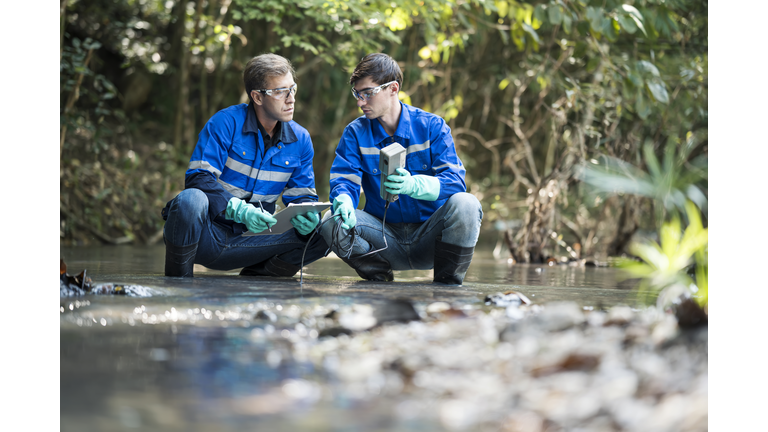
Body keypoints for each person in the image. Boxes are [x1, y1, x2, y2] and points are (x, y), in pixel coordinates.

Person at [320, 53, 483, 285]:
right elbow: (344, 180)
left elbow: (455, 181)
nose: (360, 102)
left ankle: (448, 283)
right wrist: (344, 199)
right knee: (330, 221)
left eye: (368, 93)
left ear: (393, 88)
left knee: (468, 204)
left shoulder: (432, 127)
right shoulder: (355, 133)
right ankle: (379, 277)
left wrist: (415, 185)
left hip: (430, 238)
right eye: (357, 94)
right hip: (383, 239)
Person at [161, 53, 327, 277]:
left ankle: (257, 280)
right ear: (257, 97)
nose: (291, 98)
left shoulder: (301, 139)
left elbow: (301, 198)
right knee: (190, 199)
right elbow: (198, 177)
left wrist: (309, 219)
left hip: (256, 242)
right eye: (280, 91)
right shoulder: (225, 122)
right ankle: (176, 283)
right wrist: (237, 209)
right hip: (207, 236)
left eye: (292, 88)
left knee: (328, 229)